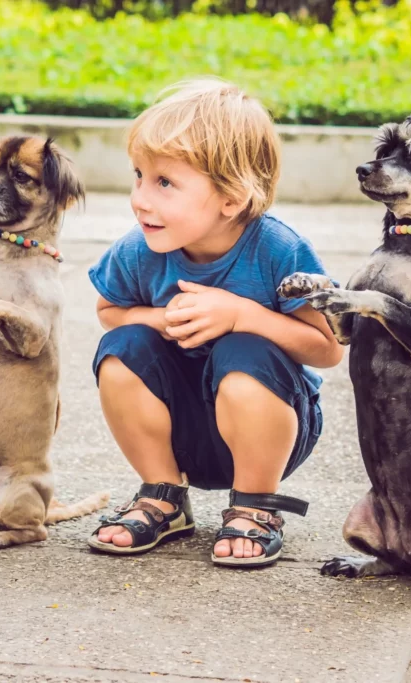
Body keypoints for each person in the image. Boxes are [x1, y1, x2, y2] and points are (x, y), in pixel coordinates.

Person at [86, 77, 342, 568]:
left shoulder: (279, 250)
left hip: (268, 429)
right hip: (181, 425)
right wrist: (159, 319)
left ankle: (254, 505)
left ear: (231, 198)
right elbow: (108, 312)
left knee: (243, 350)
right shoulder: (139, 248)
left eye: (164, 183)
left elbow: (327, 348)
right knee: (123, 347)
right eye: (138, 175)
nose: (141, 198)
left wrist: (244, 315)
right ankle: (163, 496)